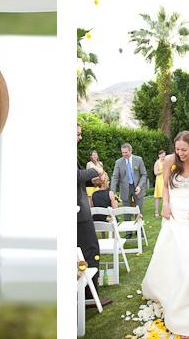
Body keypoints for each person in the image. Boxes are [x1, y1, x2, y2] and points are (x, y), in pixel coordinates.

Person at [142, 131, 189, 338]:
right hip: (174, 212)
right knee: (171, 253)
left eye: (184, 150)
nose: (180, 153)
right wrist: (165, 205)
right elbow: (165, 186)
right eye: (178, 149)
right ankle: (169, 290)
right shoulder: (168, 160)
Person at [76, 124, 111, 306]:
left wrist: (92, 182)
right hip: (79, 214)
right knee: (91, 251)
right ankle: (91, 296)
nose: (80, 137)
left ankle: (86, 294)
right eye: (78, 134)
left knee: (81, 254)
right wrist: (94, 171)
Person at [110, 143, 147, 235]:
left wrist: (139, 186)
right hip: (125, 189)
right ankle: (128, 232)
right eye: (122, 153)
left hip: (137, 187)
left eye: (126, 152)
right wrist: (112, 191)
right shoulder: (118, 162)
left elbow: (144, 175)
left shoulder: (138, 160)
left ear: (130, 151)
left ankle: (140, 230)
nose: (124, 154)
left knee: (139, 209)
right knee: (126, 210)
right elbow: (115, 177)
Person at [153, 150, 167, 217]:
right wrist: (163, 170)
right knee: (158, 197)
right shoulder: (157, 162)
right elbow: (155, 173)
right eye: (162, 155)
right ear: (159, 155)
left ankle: (164, 211)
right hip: (159, 180)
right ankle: (156, 212)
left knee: (165, 196)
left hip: (165, 179)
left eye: (164, 155)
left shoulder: (166, 161)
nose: (163, 156)